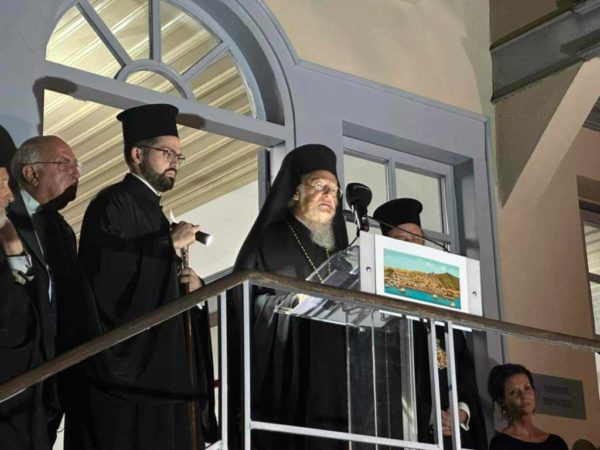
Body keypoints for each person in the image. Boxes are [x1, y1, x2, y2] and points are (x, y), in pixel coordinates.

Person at [73, 103, 217, 450]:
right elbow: (106, 276)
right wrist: (166, 244)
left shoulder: (155, 212)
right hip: (131, 376)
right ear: (137, 154)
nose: (175, 162)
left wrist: (192, 288)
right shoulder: (113, 203)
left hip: (166, 367)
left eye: (179, 156)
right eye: (167, 153)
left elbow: (158, 282)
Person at [232, 144, 349, 450]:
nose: (329, 196)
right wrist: (288, 304)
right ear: (296, 192)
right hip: (287, 371)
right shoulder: (270, 240)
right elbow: (243, 303)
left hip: (335, 377)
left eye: (335, 191)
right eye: (320, 186)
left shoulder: (339, 251)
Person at [373, 198, 487, 450]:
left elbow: (463, 366)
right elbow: (382, 373)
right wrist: (427, 413)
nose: (412, 244)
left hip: (454, 431)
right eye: (403, 239)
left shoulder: (444, 300)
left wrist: (461, 411)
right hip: (408, 428)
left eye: (417, 238)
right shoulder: (379, 302)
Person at [7, 133, 81, 443]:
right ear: (31, 173)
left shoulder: (61, 230)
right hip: (12, 369)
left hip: (52, 373)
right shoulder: (5, 219)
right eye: (65, 164)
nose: (76, 173)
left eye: (77, 165)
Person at [0, 135, 51, 450]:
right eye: (1, 184)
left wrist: (12, 244)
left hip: (21, 393)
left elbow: (27, 297)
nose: (9, 195)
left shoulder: (8, 233)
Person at [487, 364, 567, 450]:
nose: (524, 395)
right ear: (502, 401)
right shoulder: (501, 444)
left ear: (534, 391)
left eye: (527, 388)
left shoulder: (556, 443)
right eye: (513, 392)